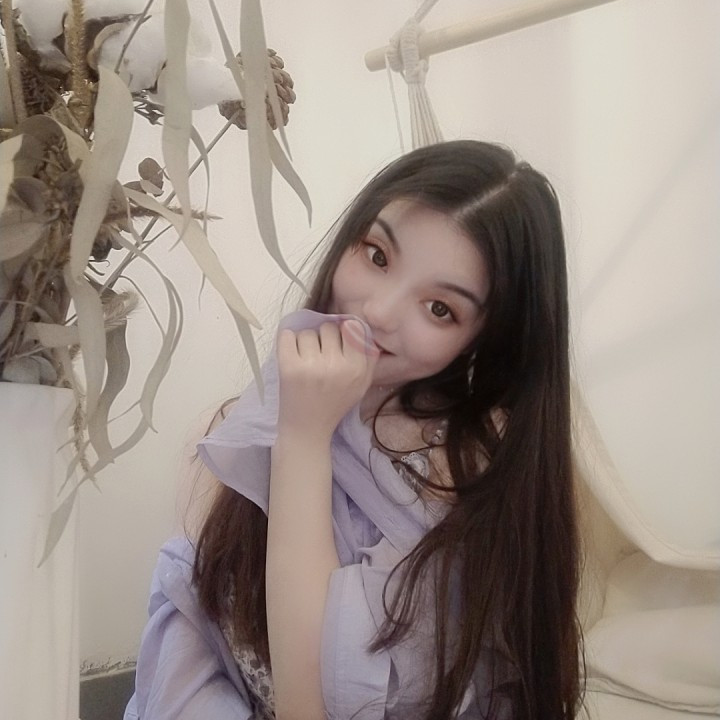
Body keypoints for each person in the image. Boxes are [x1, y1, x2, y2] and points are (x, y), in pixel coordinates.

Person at [124, 140, 583, 720]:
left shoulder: (469, 475)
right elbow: (187, 642)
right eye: (377, 255)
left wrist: (304, 438)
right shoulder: (231, 431)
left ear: (484, 339)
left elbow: (312, 705)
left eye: (440, 308)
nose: (378, 311)